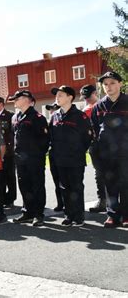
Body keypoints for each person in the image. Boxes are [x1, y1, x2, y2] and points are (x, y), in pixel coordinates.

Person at [49, 86, 93, 227]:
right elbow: (51, 136)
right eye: (57, 95)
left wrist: (78, 151)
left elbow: (87, 137)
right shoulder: (55, 116)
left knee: (76, 188)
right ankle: (68, 215)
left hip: (75, 160)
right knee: (64, 188)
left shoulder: (80, 116)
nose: (57, 97)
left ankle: (79, 216)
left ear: (70, 97)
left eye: (61, 95)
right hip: (59, 160)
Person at [92, 71, 128, 228]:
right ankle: (112, 215)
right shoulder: (99, 106)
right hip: (106, 153)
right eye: (105, 84)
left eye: (112, 83)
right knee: (110, 185)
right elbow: (94, 129)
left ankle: (126, 216)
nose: (109, 87)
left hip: (125, 152)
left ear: (120, 84)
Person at [10, 90, 49, 227]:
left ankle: (38, 214)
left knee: (37, 186)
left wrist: (37, 156)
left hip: (34, 159)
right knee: (24, 186)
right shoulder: (15, 117)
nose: (14, 100)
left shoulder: (37, 117)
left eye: (17, 98)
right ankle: (28, 212)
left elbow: (44, 140)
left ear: (27, 99)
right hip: (20, 159)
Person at [80, 84, 107, 213]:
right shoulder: (85, 111)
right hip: (94, 145)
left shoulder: (104, 105)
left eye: (88, 96)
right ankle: (102, 200)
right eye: (85, 97)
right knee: (99, 173)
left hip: (108, 144)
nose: (87, 100)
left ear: (95, 93)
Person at [0, 96, 16, 208]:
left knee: (9, 177)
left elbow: (13, 133)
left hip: (8, 153)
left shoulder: (10, 115)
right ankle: (2, 199)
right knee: (0, 178)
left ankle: (10, 199)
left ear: (0, 104)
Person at [45, 102, 64, 212]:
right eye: (50, 109)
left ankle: (68, 203)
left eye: (53, 109)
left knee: (65, 182)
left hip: (63, 154)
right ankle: (60, 203)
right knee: (56, 181)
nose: (51, 111)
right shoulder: (50, 122)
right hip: (53, 154)